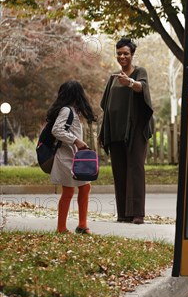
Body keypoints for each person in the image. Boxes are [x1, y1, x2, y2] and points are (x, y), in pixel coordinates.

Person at [99, 38, 153, 224]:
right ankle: (123, 213)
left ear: (132, 55)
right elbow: (105, 104)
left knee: (135, 169)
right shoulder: (114, 76)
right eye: (119, 53)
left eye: (126, 53)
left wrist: (130, 83)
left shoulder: (139, 72)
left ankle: (137, 213)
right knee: (119, 170)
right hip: (116, 131)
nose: (122, 56)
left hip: (136, 130)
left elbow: (142, 88)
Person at [47, 80, 97, 234]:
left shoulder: (72, 111)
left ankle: (82, 225)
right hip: (66, 156)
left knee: (85, 187)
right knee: (69, 191)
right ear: (77, 94)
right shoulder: (67, 111)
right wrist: (77, 141)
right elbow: (57, 130)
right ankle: (61, 228)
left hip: (74, 156)